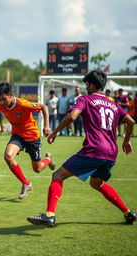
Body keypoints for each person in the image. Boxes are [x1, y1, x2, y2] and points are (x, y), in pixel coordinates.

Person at [27, 70, 136, 227]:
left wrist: (55, 132)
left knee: (58, 175)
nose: (86, 87)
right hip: (111, 152)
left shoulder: (85, 99)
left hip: (94, 149)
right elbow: (131, 122)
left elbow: (72, 116)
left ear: (91, 85)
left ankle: (49, 215)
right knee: (97, 183)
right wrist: (126, 141)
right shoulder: (114, 104)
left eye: (87, 84)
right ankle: (128, 213)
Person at [0, 82, 55, 199]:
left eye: (4, 99)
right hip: (18, 136)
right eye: (0, 100)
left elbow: (44, 107)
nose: (2, 102)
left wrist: (46, 126)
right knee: (8, 156)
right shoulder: (2, 105)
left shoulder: (23, 104)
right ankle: (26, 184)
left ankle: (48, 159)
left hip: (32, 137)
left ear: (11, 95)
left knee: (37, 169)